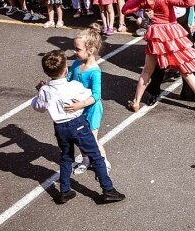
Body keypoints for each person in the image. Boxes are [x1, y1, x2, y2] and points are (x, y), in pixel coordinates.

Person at [31, 50, 125, 204]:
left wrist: (42, 90)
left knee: (66, 157)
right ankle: (108, 190)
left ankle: (65, 191)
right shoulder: (74, 86)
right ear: (65, 70)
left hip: (60, 128)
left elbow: (38, 107)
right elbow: (90, 95)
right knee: (96, 156)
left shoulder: (45, 91)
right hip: (77, 125)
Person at [121, 0, 195, 112]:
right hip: (172, 34)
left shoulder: (145, 0)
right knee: (185, 69)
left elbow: (125, 10)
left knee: (147, 71)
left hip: (156, 36)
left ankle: (136, 102)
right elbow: (189, 2)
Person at [68, 24, 112, 175]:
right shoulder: (75, 65)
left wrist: (81, 104)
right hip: (78, 109)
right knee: (79, 137)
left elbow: (96, 95)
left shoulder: (95, 72)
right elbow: (67, 82)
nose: (74, 52)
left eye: (78, 49)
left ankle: (103, 161)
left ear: (91, 50)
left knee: (91, 139)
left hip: (91, 109)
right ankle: (86, 159)